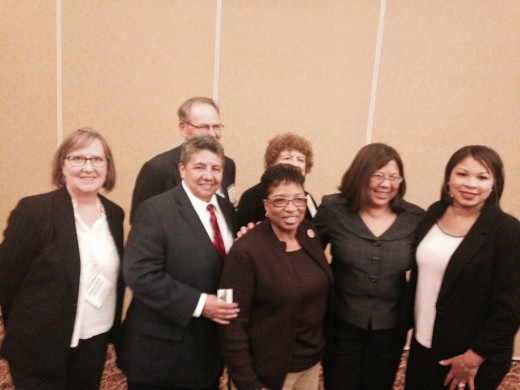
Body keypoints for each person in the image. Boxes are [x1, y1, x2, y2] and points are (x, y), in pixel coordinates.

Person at [0, 128, 125, 389]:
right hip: (39, 344)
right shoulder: (34, 211)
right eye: (77, 158)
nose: (88, 167)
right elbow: (7, 278)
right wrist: (24, 328)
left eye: (97, 159)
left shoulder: (114, 214)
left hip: (94, 340)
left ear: (107, 167)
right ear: (62, 165)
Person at [120, 134, 239, 389]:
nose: (209, 175)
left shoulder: (226, 210)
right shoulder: (155, 210)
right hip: (161, 353)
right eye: (199, 167)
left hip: (207, 352)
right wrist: (199, 303)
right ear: (182, 170)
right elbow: (139, 274)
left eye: (216, 168)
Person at [404, 145, 520, 390]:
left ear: (494, 184)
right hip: (423, 344)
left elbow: (511, 308)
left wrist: (473, 357)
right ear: (449, 178)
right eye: (462, 174)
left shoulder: (507, 231)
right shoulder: (434, 213)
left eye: (482, 177)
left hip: (468, 357)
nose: (470, 184)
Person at [314, 143, 425, 390]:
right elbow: (307, 256)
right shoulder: (333, 209)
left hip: (390, 328)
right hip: (341, 323)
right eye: (378, 175)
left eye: (393, 177)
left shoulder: (416, 218)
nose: (386, 184)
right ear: (360, 174)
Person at [219, 164, 333, 390]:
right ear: (266, 205)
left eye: (299, 199)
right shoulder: (245, 250)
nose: (292, 208)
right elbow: (231, 324)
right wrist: (248, 383)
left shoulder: (309, 234)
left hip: (309, 365)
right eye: (280, 200)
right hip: (266, 372)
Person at [130, 96, 236, 223]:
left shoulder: (228, 165)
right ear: (183, 128)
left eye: (216, 126)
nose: (212, 134)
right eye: (204, 127)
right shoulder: (157, 169)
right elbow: (141, 221)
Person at [236, 133, 317, 228]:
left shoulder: (307, 197)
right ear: (272, 163)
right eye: (288, 158)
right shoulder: (251, 197)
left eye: (300, 160)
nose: (295, 164)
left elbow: (315, 233)